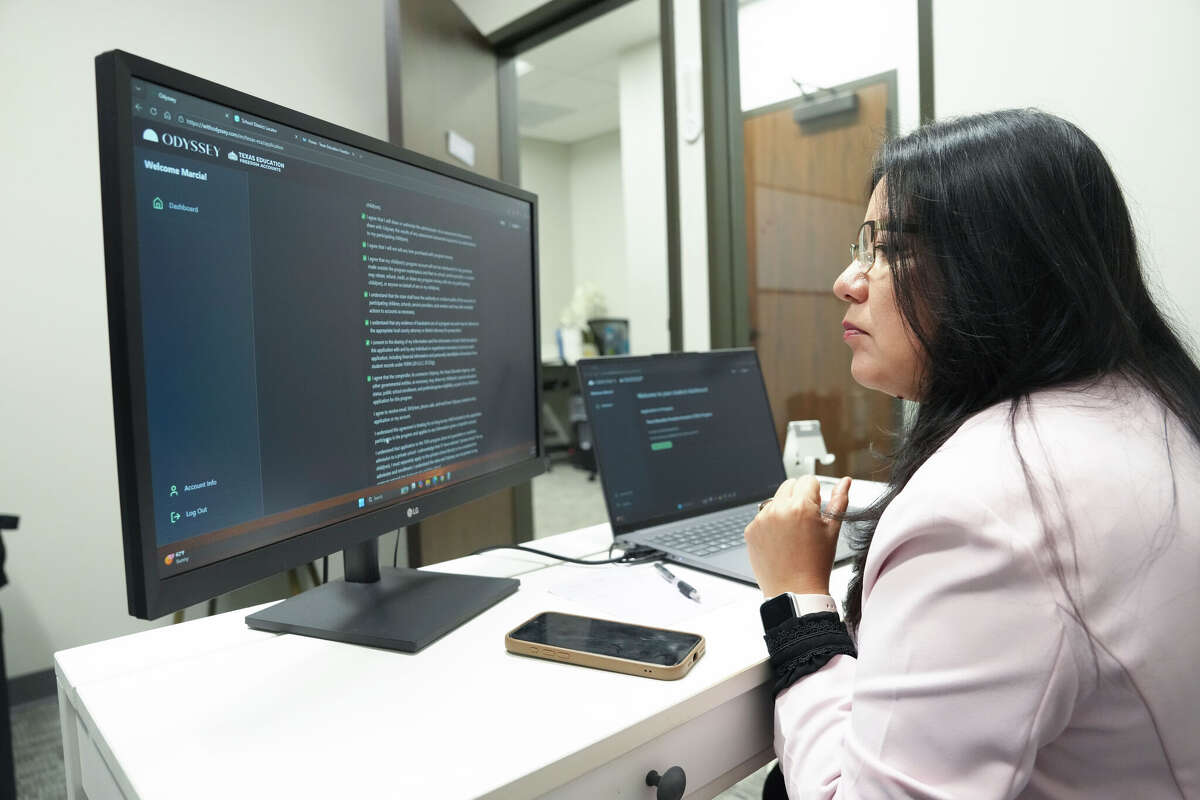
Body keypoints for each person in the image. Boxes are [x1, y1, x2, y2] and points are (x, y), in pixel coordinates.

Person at [743, 109, 1200, 798]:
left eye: (887, 247)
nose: (846, 280)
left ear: (1000, 267)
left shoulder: (983, 505)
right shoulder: (1151, 403)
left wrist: (799, 600)